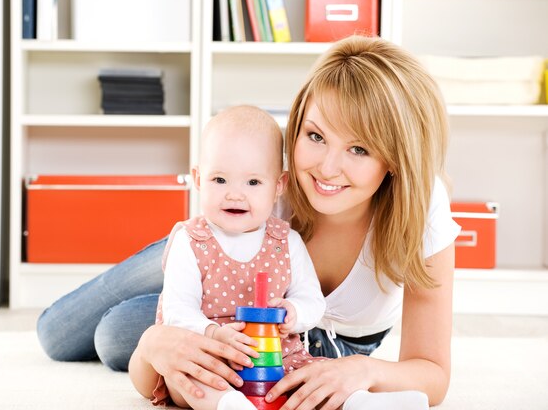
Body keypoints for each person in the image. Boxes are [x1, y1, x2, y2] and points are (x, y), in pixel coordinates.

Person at [37, 35, 461, 409]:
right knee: (61, 336)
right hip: (215, 274)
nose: (326, 169)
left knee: (114, 336)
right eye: (315, 136)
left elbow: (432, 373)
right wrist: (157, 340)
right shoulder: (269, 181)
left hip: (316, 341)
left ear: (395, 160)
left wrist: (363, 370)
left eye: (359, 150)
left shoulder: (423, 208)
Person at [134, 105, 325, 409]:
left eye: (252, 182)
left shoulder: (286, 241)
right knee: (195, 383)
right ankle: (230, 405)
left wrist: (294, 312)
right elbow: (176, 310)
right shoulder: (190, 240)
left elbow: (313, 300)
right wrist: (213, 334)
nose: (234, 194)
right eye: (220, 180)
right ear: (198, 179)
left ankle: (361, 403)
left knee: (317, 380)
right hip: (209, 359)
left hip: (277, 361)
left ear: (278, 186)